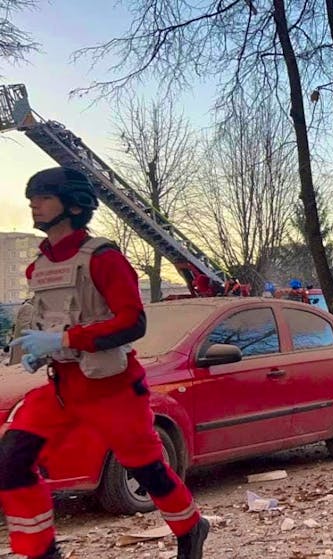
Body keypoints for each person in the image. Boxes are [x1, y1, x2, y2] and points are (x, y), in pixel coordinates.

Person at [2, 167, 209, 559]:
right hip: (62, 388)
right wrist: (40, 350)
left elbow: (133, 322)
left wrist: (65, 339)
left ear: (74, 205)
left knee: (147, 470)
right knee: (11, 459)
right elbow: (53, 319)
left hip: (113, 390)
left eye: (45, 197)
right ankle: (40, 552)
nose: (34, 203)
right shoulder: (38, 268)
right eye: (33, 197)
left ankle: (191, 528)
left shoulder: (105, 259)